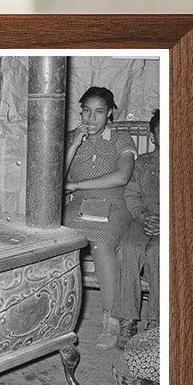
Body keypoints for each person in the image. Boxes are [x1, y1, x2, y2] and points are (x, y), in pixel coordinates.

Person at [62, 86, 137, 351]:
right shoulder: (74, 137)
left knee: (100, 244)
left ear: (110, 113)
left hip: (113, 204)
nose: (91, 118)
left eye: (99, 112)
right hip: (80, 206)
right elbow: (56, 175)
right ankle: (59, 315)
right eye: (86, 111)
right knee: (61, 243)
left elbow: (122, 177)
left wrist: (77, 185)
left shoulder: (121, 138)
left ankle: (111, 317)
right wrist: (73, 144)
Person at [118, 108, 161, 347]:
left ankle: (155, 320)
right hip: (142, 220)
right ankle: (128, 319)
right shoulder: (141, 163)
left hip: (169, 224)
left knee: (158, 253)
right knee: (128, 249)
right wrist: (143, 216)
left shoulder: (187, 164)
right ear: (152, 136)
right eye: (161, 132)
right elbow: (131, 195)